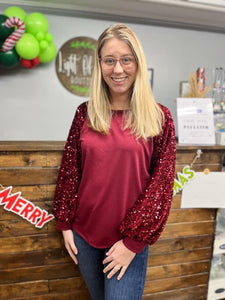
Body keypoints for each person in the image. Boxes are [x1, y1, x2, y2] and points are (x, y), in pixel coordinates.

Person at [52, 23, 176, 300]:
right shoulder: (85, 113)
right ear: (100, 65)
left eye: (125, 60)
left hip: (127, 242)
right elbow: (71, 170)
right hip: (84, 237)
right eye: (110, 60)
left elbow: (162, 185)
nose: (117, 69)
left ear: (137, 64)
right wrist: (65, 225)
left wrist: (133, 243)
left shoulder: (160, 117)